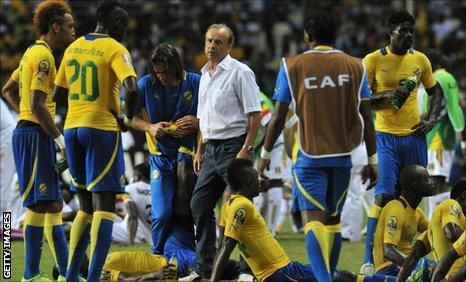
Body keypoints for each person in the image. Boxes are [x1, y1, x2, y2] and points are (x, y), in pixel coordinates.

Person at [257, 11, 377, 281]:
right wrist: (373, 160)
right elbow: (367, 116)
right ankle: (330, 276)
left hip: (309, 156)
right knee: (333, 221)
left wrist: (264, 155)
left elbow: (278, 117)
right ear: (335, 36)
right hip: (344, 156)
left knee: (313, 221)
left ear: (307, 36)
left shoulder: (292, 65)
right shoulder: (356, 66)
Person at [53, 1, 138, 281]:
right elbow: (131, 87)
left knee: (84, 206)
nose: (124, 32)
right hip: (101, 129)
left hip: (72, 128)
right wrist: (125, 118)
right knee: (105, 205)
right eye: (123, 27)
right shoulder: (115, 48)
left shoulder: (73, 47)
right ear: (115, 25)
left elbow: (58, 95)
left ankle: (70, 277)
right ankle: (92, 278)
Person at [361, 11, 444, 273]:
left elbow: (435, 92)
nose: (408, 34)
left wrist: (431, 119)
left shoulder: (420, 60)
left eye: (411, 30)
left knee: (414, 195)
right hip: (385, 137)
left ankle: (411, 255)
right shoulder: (373, 60)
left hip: (415, 137)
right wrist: (387, 94)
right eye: (403, 30)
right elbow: (361, 100)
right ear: (390, 31)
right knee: (385, 194)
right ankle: (368, 259)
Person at [9, 1, 75, 280]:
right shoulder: (45, 58)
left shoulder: (30, 53)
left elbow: (8, 89)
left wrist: (23, 113)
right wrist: (59, 139)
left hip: (32, 132)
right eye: (70, 26)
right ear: (55, 27)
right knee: (38, 205)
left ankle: (64, 274)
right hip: (36, 135)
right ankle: (30, 274)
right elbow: (37, 105)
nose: (74, 30)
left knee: (53, 205)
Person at [190, 23, 262, 279]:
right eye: (209, 40)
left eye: (219, 42)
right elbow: (202, 119)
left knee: (239, 211)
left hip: (234, 146)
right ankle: (207, 267)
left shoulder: (240, 72)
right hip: (210, 149)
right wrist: (199, 150)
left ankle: (247, 270)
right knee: (199, 204)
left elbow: (255, 116)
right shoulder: (204, 75)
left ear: (230, 46)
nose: (212, 46)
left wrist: (246, 149)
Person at [211, 158, 352, 282]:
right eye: (257, 178)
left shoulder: (228, 206)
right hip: (281, 272)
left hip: (277, 273)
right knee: (339, 275)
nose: (261, 181)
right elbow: (227, 245)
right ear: (249, 183)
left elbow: (222, 245)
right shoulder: (242, 206)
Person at [126, 43, 200, 254]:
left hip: (189, 155)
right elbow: (128, 118)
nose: (160, 77)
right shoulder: (146, 85)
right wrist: (150, 127)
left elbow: (214, 114)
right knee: (161, 214)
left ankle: (196, 254)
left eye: (164, 72)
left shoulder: (195, 82)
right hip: (160, 156)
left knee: (192, 210)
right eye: (157, 72)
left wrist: (197, 122)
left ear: (176, 67)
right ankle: (157, 257)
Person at [420, 50, 464, 219]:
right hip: (437, 138)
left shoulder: (442, 78)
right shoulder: (438, 79)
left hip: (439, 138)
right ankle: (433, 222)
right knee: (435, 180)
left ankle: (434, 222)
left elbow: (453, 109)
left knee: (435, 181)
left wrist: (461, 132)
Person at [396, 180, 465, 281]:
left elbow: (414, 254)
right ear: (464, 195)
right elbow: (452, 234)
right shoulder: (451, 203)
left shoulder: (433, 228)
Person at [112, 163, 153, 245]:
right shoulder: (157, 190)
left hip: (132, 233)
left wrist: (130, 242)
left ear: (137, 176)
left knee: (98, 225)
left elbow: (132, 214)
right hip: (152, 234)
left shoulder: (129, 188)